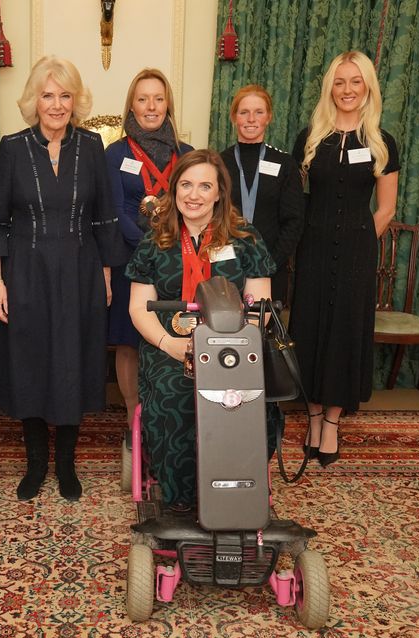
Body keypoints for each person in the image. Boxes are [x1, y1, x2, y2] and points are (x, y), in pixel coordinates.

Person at [0, 55, 127, 502]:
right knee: (29, 361)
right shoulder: (12, 147)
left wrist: (105, 275)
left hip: (80, 271)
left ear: (76, 100)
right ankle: (36, 463)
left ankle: (65, 463)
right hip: (25, 272)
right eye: (48, 95)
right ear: (34, 100)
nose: (57, 104)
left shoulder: (91, 148)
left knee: (72, 362)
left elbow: (105, 218)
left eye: (65, 95)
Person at [128, 149, 275, 510]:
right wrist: (170, 344)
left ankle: (239, 489)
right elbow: (138, 308)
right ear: (174, 189)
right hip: (171, 345)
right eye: (186, 184)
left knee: (253, 399)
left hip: (233, 346)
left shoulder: (246, 239)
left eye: (204, 186)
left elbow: (261, 309)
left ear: (220, 193)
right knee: (174, 393)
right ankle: (182, 499)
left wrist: (235, 345)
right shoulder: (154, 240)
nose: (194, 195)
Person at [291, 51, 400, 466]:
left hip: (356, 254)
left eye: (356, 81)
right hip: (313, 250)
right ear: (329, 88)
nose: (348, 90)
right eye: (340, 82)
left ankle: (333, 422)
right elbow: (295, 198)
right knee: (312, 329)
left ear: (368, 87)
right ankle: (313, 415)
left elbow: (386, 209)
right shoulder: (310, 137)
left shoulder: (381, 142)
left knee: (344, 333)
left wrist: (357, 242)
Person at [220, 84, 305, 462]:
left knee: (260, 352)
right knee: (223, 347)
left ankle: (258, 431)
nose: (251, 120)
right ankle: (221, 419)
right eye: (244, 112)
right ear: (233, 117)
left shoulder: (284, 165)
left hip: (269, 273)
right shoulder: (219, 162)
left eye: (258, 112)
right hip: (224, 273)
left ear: (269, 117)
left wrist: (264, 265)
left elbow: (294, 222)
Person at [105, 69, 193, 429]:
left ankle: (166, 413)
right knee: (129, 341)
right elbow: (115, 210)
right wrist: (150, 250)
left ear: (167, 103)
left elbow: (194, 207)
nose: (151, 106)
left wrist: (169, 252)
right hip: (132, 261)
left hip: (178, 261)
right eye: (143, 99)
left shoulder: (186, 153)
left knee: (174, 333)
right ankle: (132, 418)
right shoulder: (116, 153)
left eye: (158, 98)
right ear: (132, 106)